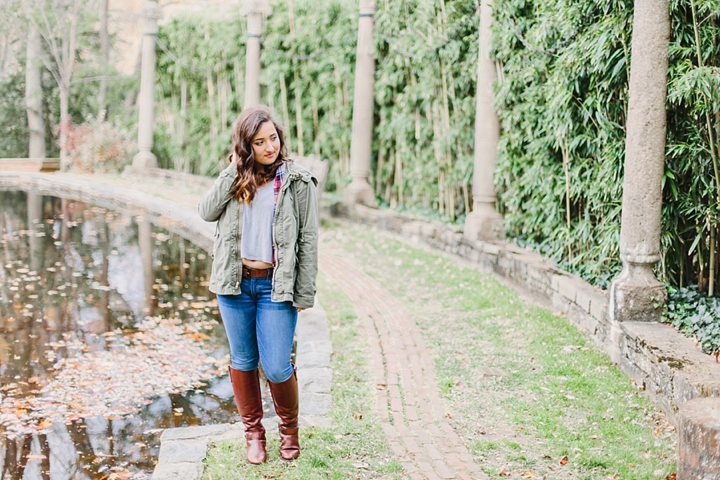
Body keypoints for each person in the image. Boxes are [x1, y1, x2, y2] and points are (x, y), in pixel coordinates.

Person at [198, 106, 318, 464]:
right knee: (244, 360)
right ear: (247, 146)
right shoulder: (236, 177)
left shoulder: (297, 182)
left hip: (274, 287)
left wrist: (304, 291)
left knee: (279, 365)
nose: (270, 147)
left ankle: (289, 430)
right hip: (234, 285)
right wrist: (232, 169)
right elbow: (206, 211)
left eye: (274, 138)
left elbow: (308, 240)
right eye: (260, 142)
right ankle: (254, 434)